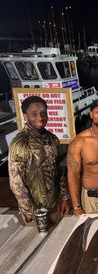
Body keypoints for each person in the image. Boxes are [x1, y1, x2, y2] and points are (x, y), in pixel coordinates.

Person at [8, 96, 70, 224]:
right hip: (35, 212)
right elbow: (16, 182)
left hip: (54, 206)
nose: (40, 117)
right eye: (34, 114)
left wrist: (64, 198)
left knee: (56, 240)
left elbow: (60, 171)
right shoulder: (20, 144)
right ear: (25, 117)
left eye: (43, 113)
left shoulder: (53, 139)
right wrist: (29, 211)